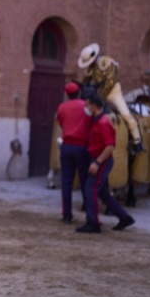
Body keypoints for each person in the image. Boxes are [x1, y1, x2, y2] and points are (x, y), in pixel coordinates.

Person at [76, 95, 135, 233]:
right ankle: (124, 217)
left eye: (87, 105)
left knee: (90, 189)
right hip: (99, 159)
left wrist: (97, 163)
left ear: (94, 106)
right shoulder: (97, 120)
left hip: (101, 160)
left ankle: (93, 223)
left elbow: (109, 146)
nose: (86, 108)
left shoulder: (102, 123)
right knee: (103, 192)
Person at [78, 43, 143, 152]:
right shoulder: (89, 69)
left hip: (113, 93)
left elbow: (111, 82)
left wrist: (99, 96)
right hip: (98, 95)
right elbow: (85, 83)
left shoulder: (106, 62)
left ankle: (137, 141)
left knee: (126, 115)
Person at [56, 81, 92, 224]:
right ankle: (89, 214)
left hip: (66, 146)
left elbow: (61, 123)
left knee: (66, 182)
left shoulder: (62, 107)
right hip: (82, 147)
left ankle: (67, 214)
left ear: (67, 94)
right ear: (79, 92)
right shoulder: (85, 106)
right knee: (85, 181)